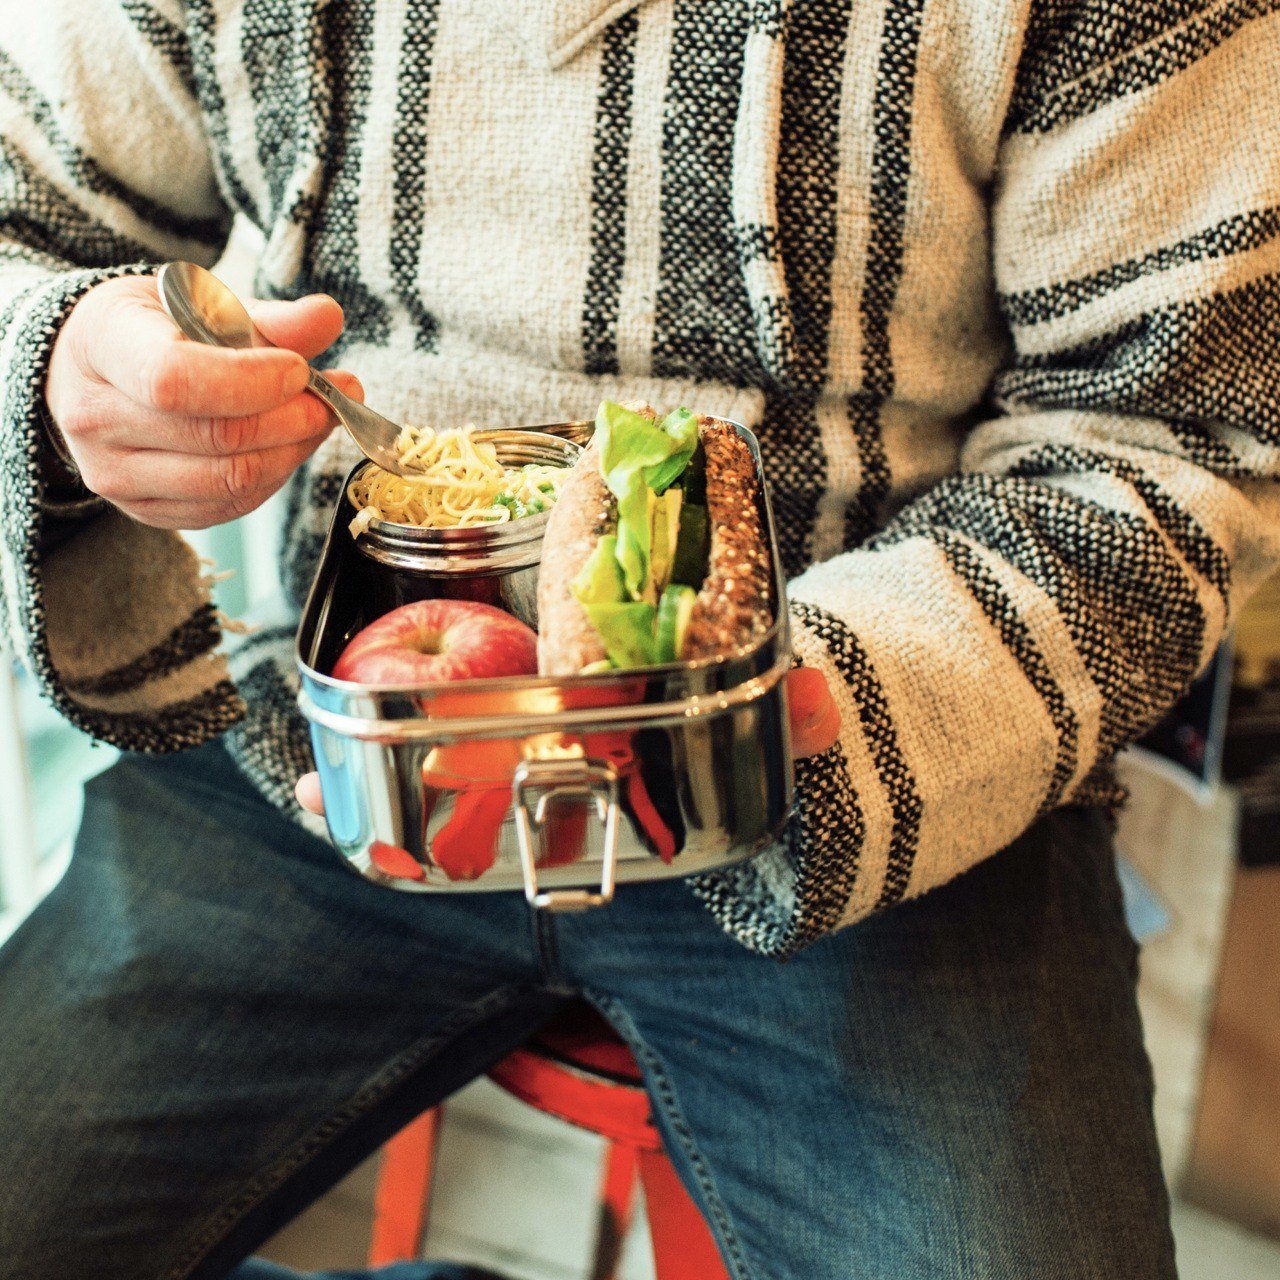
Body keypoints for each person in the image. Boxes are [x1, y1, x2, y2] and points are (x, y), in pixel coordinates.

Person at [1, 1, 1277, 1276]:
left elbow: (1168, 445)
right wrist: (63, 372)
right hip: (324, 759)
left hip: (884, 779)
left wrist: (822, 696)